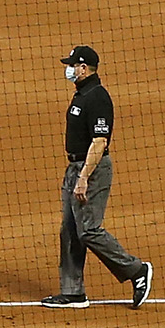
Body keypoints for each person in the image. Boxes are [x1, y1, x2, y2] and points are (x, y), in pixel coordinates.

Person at [42, 46, 152, 311]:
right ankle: (73, 293)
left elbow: (100, 141)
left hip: (92, 169)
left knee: (89, 229)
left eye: (72, 65)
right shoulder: (82, 94)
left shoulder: (97, 98)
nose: (68, 69)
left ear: (83, 68)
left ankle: (136, 270)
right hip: (75, 167)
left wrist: (83, 178)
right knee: (69, 230)